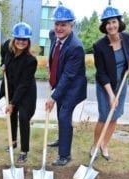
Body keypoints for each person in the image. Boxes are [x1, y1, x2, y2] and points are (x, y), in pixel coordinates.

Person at [90, 5, 129, 161]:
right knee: (104, 116)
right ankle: (95, 145)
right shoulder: (99, 46)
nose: (111, 26)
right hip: (105, 86)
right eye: (108, 23)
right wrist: (111, 95)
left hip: (121, 83)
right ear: (104, 26)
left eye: (114, 21)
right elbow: (101, 73)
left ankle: (104, 144)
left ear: (119, 22)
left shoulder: (127, 37)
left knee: (115, 116)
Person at [45, 5, 87, 166]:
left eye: (64, 24)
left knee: (64, 116)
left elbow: (69, 76)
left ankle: (64, 155)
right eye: (57, 23)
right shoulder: (53, 35)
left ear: (72, 25)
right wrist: (51, 64)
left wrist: (53, 97)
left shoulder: (76, 47)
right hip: (60, 82)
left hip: (73, 88)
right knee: (60, 115)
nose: (59, 28)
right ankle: (62, 139)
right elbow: (55, 54)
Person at [0, 22, 37, 163]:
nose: (21, 42)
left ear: (28, 41)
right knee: (12, 115)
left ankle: (24, 150)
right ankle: (13, 141)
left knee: (23, 119)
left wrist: (13, 103)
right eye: (19, 39)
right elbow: (3, 56)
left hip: (26, 92)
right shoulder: (7, 47)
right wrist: (2, 64)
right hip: (11, 87)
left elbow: (24, 84)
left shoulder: (31, 60)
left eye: (24, 40)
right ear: (14, 39)